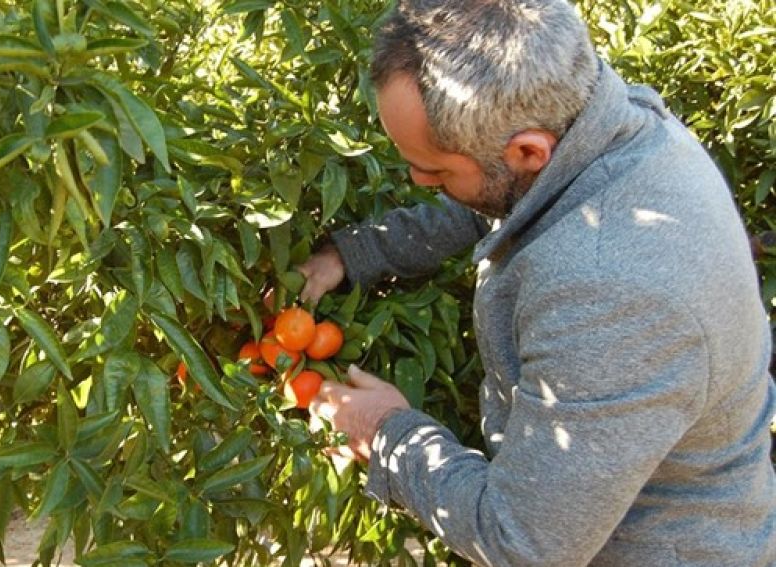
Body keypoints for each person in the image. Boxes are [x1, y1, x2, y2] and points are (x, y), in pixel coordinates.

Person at [297, 1, 776, 565]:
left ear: (528, 151)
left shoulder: (610, 297)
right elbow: (499, 195)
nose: (417, 179)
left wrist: (385, 433)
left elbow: (524, 543)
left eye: (435, 170)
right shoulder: (605, 125)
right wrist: (352, 254)